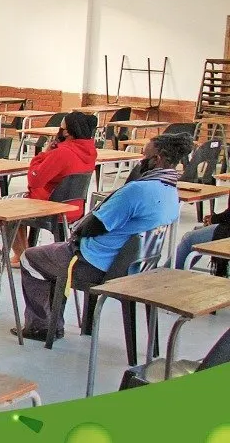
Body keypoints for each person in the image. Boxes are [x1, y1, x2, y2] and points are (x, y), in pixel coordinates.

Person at [17, 133, 189, 342]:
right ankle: (53, 323)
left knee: (30, 258)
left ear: (157, 159)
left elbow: (93, 226)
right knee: (52, 255)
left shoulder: (137, 190)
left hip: (95, 264)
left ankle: (41, 327)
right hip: (135, 267)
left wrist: (78, 230)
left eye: (145, 156)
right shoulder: (171, 192)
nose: (141, 161)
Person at [11, 112, 98, 262]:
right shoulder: (90, 152)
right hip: (74, 207)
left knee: (7, 208)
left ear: (67, 132)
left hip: (52, 207)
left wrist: (43, 155)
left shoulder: (62, 153)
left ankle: (21, 256)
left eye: (61, 127)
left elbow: (35, 180)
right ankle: (26, 254)